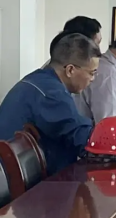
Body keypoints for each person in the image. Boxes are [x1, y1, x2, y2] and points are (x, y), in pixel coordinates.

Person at [0, 33, 100, 175]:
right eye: (92, 73)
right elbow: (81, 138)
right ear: (70, 70)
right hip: (19, 183)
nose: (93, 79)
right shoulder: (50, 93)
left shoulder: (40, 81)